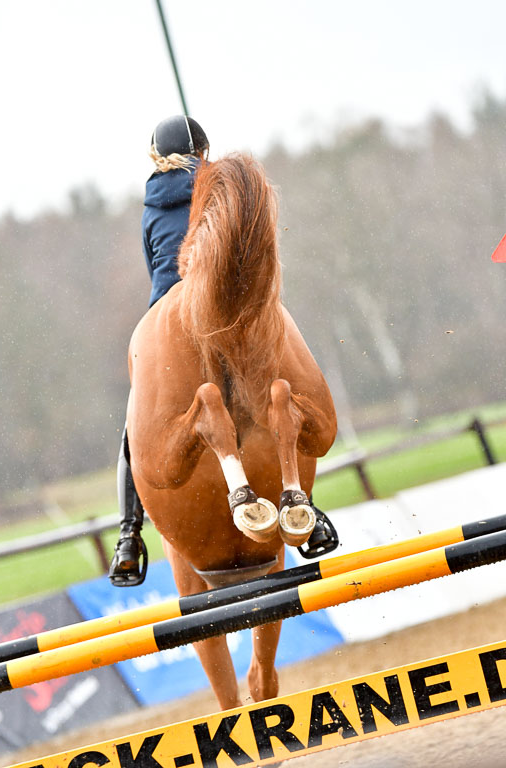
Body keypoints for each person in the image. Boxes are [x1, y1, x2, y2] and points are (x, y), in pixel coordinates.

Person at [108, 115, 338, 587]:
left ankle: (130, 535)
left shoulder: (151, 202)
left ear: (157, 157)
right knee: (283, 373)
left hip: (166, 308)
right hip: (232, 304)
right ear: (204, 150)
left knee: (134, 431)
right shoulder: (216, 187)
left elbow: (157, 268)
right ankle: (308, 506)